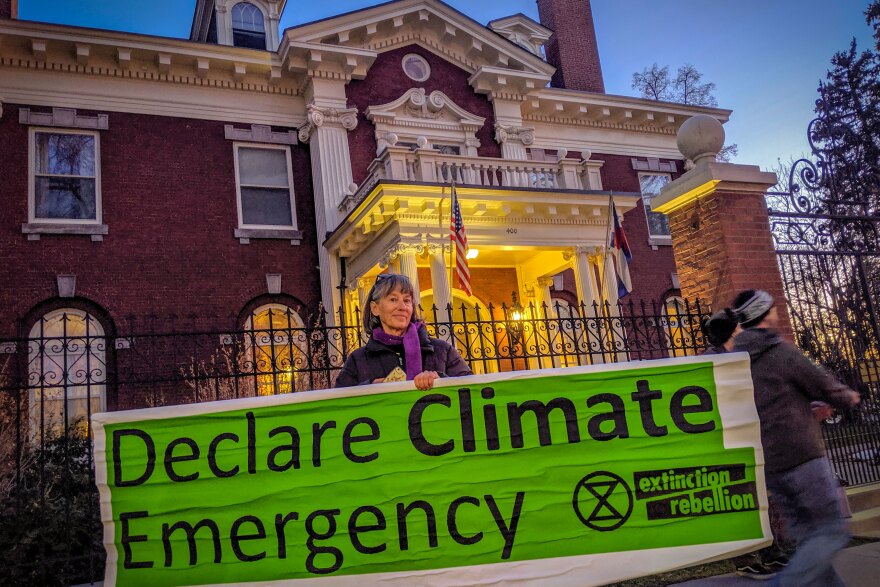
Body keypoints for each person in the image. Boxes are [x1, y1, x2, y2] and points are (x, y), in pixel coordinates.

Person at [732, 289, 860, 586]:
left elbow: (770, 400)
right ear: (764, 313)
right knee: (831, 531)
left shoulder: (737, 361)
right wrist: (848, 397)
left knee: (809, 542)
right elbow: (822, 383)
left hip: (771, 464)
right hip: (802, 458)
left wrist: (805, 407)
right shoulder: (780, 351)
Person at [335, 273, 472, 390]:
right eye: (393, 299)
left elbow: (471, 390)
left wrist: (439, 380)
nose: (402, 307)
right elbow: (339, 403)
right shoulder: (358, 360)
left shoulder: (442, 351)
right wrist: (371, 387)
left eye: (407, 300)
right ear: (375, 308)